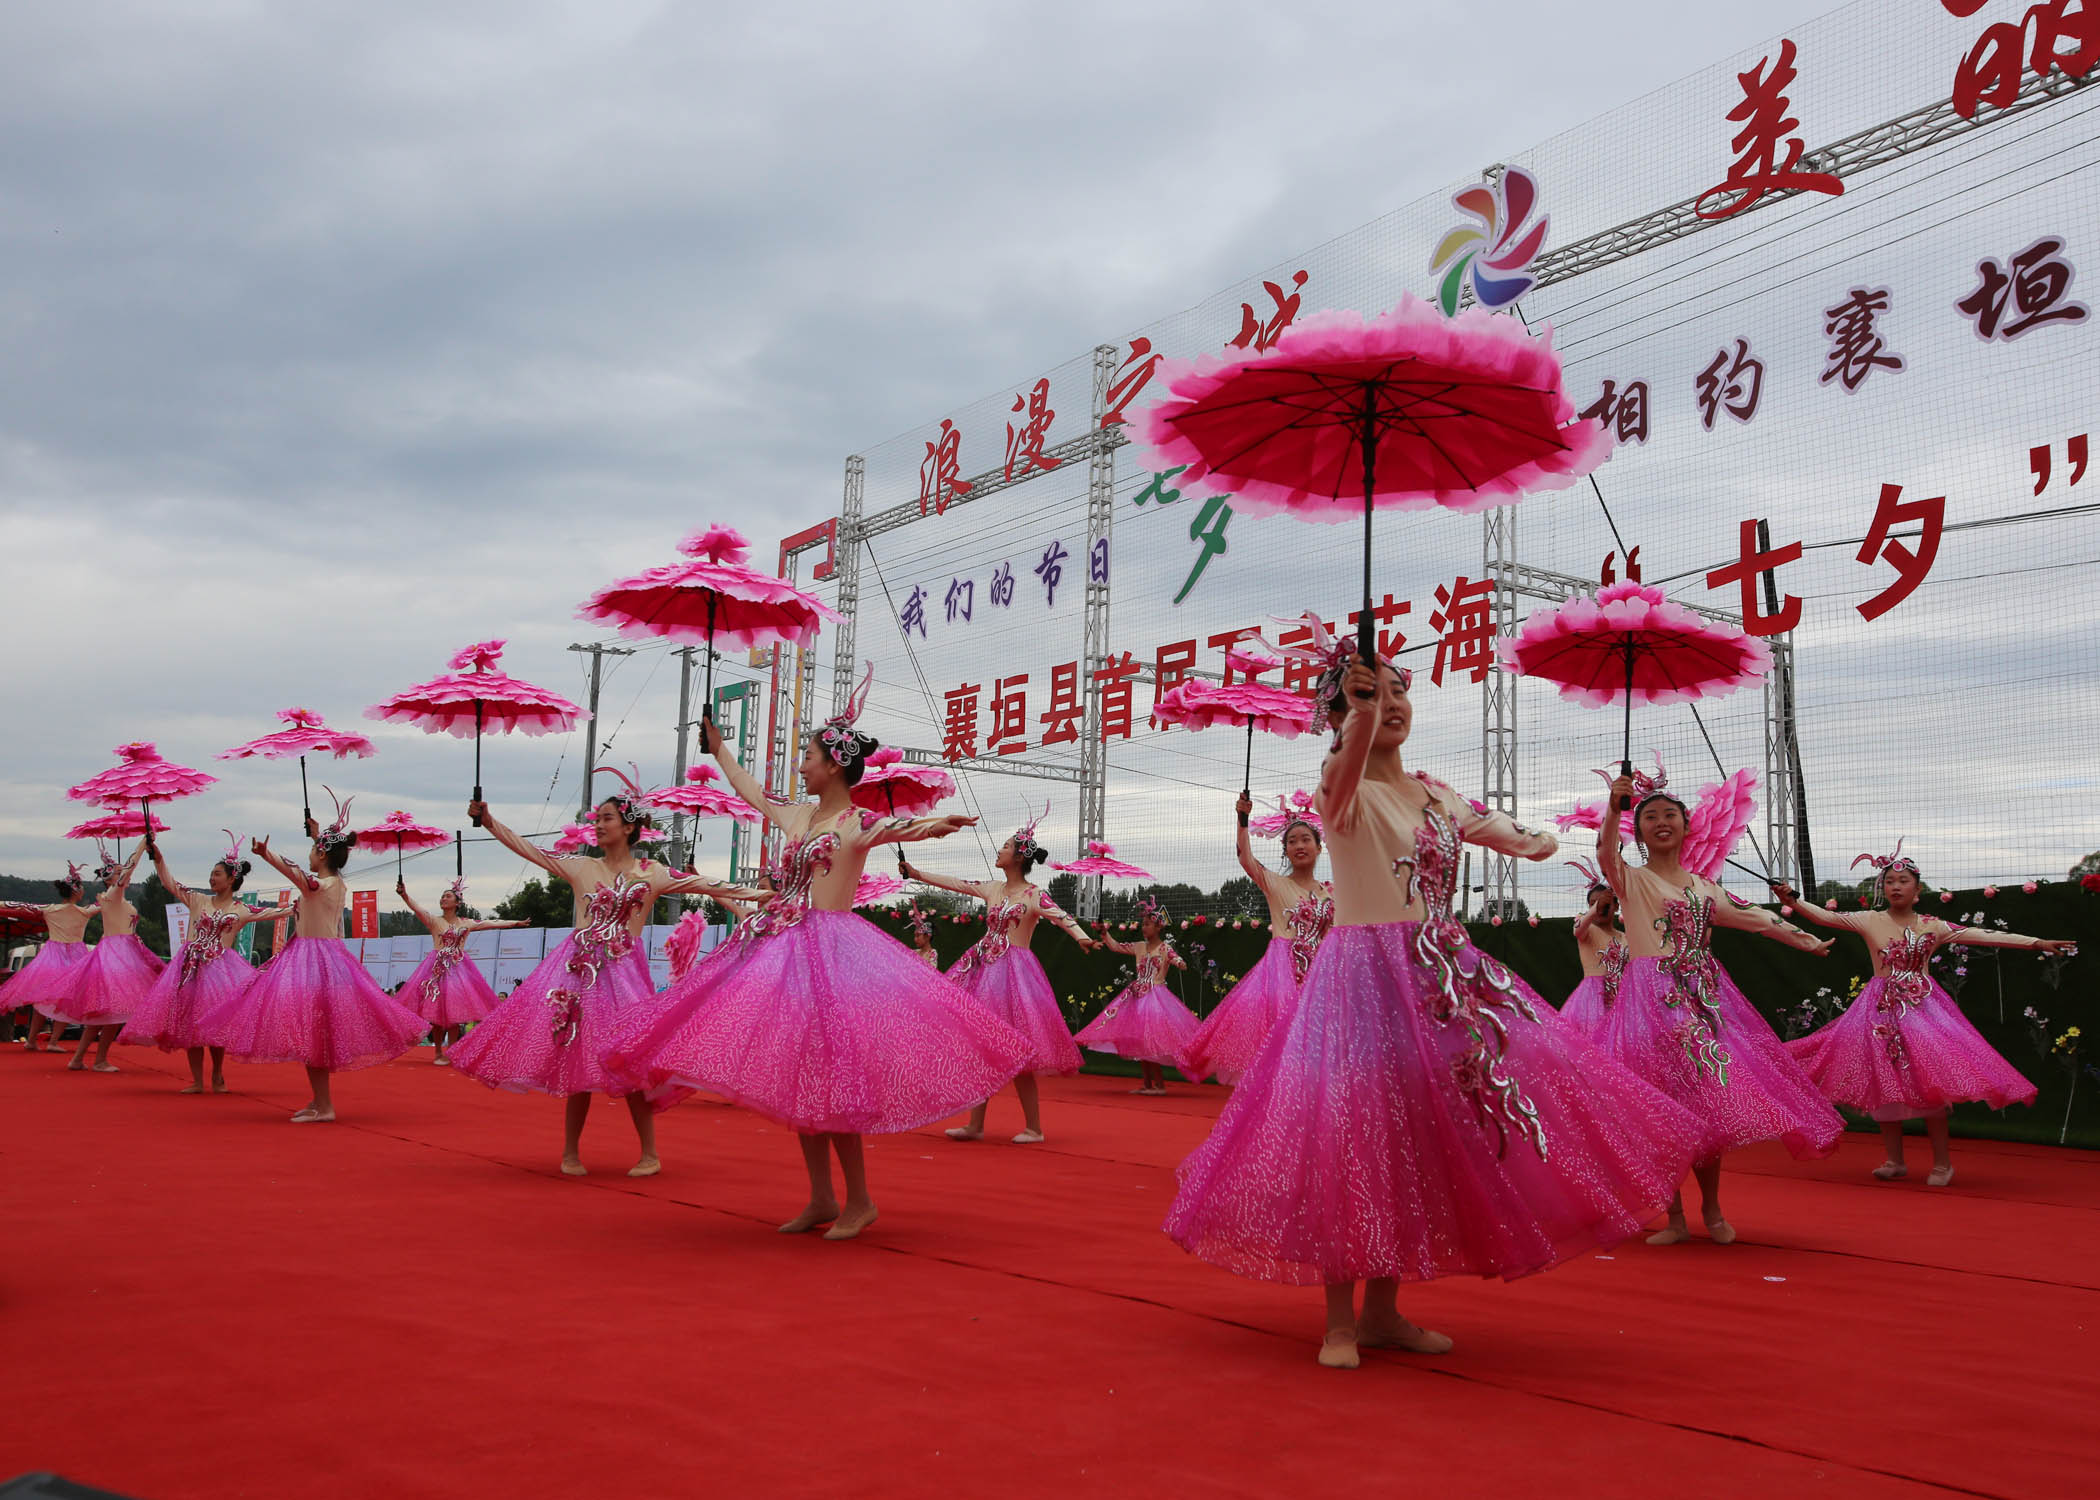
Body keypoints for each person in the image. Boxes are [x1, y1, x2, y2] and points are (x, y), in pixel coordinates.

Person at [1164, 649, 1704, 1370]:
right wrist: (1355, 719)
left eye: (1397, 692)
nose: (1390, 703)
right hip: (1359, 983)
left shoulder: (1433, 793)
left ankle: (1384, 1311)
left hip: (1441, 977)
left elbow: (1503, 831)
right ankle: (1337, 1322)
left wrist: (1550, 837)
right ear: (1339, 711)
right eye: (1369, 694)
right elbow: (1342, 769)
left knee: (1413, 1134)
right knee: (1351, 1134)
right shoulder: (1341, 787)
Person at [600, 666, 1035, 1239]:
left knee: (834, 1077)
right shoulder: (800, 816)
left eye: (807, 757)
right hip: (783, 950)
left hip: (833, 956)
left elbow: (898, 829)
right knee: (801, 1076)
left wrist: (936, 826)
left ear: (833, 765)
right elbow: (750, 792)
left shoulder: (856, 821)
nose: (800, 766)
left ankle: (860, 1200)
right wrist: (721, 749)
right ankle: (823, 1197)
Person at [448, 769, 746, 1177]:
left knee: (630, 1062)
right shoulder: (581, 868)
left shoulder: (652, 872)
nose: (598, 824)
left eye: (606, 818)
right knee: (575, 1058)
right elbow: (530, 850)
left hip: (624, 980)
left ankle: (649, 1154)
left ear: (628, 825)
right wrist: (489, 822)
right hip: (577, 975)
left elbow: (708, 884)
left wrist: (767, 895)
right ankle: (570, 1152)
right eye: (597, 818)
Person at [1594, 769, 1842, 1246]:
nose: (1661, 822)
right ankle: (1674, 1218)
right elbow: (1606, 855)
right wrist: (1613, 807)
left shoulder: (1706, 888)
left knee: (1707, 1106)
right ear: (1638, 830)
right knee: (1661, 1111)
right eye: (1650, 816)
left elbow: (1755, 917)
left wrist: (1803, 939)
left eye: (1671, 815)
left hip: (1703, 1001)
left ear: (1687, 827)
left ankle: (1711, 1207)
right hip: (1650, 1004)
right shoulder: (1631, 881)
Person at [1778, 847, 2067, 1187]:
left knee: (1932, 1088)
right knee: (1881, 1083)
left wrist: (2035, 943)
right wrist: (1791, 899)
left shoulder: (1934, 926)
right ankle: (1894, 1160)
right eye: (1889, 881)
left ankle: (1943, 1164)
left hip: (1924, 1012)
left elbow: (1986, 935)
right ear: (1881, 888)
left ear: (1918, 890)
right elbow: (1823, 918)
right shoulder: (1870, 920)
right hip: (1878, 1012)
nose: (1895, 887)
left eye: (1903, 881)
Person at [206, 797, 429, 1122]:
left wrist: (267, 854)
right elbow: (321, 866)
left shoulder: (320, 884)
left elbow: (302, 876)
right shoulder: (334, 881)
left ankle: (324, 1105)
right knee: (313, 1033)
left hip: (315, 962)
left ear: (322, 855)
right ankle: (319, 1100)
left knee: (314, 1033)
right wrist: (315, 835)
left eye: (314, 850)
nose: (311, 854)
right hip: (317, 959)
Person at [898, 805, 1098, 1144]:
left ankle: (1034, 1127)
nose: (999, 850)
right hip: (982, 970)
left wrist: (1082, 937)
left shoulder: (1033, 894)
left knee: (1018, 1053)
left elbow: (1062, 916)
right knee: (981, 1047)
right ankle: (975, 1125)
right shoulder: (992, 888)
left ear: (1019, 857)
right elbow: (956, 883)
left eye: (1005, 847)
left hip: (1015, 978)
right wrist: (916, 873)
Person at [1181, 793, 1332, 1085]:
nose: (1299, 845)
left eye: (1305, 839)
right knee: (1284, 1051)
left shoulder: (1330, 892)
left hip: (1320, 978)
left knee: (1316, 1054)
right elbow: (1245, 858)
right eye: (1292, 841)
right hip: (1283, 977)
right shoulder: (1275, 883)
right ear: (1285, 850)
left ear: (1319, 846)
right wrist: (1242, 819)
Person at [119, 833, 282, 1093]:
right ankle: (197, 1080)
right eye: (211, 873)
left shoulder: (242, 909)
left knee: (214, 1023)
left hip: (221, 971)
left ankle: (217, 1074)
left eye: (217, 874)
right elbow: (169, 882)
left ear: (231, 879)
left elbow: (278, 911)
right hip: (188, 970)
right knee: (189, 1024)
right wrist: (158, 858)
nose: (212, 877)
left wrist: (309, 902)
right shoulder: (198, 900)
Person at [396, 877, 528, 1065]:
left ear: (457, 903)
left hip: (458, 970)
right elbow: (416, 908)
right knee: (436, 1013)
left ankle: (451, 1051)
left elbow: (492, 923)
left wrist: (515, 923)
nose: (443, 899)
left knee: (455, 1014)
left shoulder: (466, 923)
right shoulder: (434, 921)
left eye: (448, 896)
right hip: (436, 970)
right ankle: (439, 1052)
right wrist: (404, 895)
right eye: (442, 896)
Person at [1077, 897, 1194, 1095]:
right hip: (1137, 996)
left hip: (1156, 998)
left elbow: (1176, 958)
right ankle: (1147, 1084)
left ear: (1158, 927)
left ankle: (1159, 1085)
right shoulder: (1139, 946)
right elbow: (1116, 946)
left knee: (1149, 1041)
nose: (1144, 928)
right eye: (1143, 925)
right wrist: (1104, 934)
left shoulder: (1164, 948)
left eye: (1148, 925)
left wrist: (1180, 963)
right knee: (1140, 1041)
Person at [67, 844, 163, 1072]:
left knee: (105, 1012)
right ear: (112, 878)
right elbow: (129, 870)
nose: (125, 876)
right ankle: (98, 1060)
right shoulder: (112, 895)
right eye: (120, 873)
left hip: (122, 955)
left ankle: (79, 1058)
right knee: (114, 1011)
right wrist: (142, 845)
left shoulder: (118, 900)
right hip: (116, 958)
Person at [1, 862, 97, 1052]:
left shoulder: (50, 909)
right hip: (74, 960)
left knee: (43, 1000)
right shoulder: (85, 912)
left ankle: (31, 1040)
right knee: (66, 1001)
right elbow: (109, 902)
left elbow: (18, 906)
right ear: (76, 891)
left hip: (51, 957)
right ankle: (53, 1041)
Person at [1557, 859, 1627, 1041]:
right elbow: (1577, 929)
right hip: (1592, 1001)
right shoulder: (1588, 930)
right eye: (1594, 904)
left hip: (1622, 999)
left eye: (1606, 904)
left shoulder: (1625, 938)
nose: (1600, 908)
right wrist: (1597, 907)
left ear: (1616, 906)